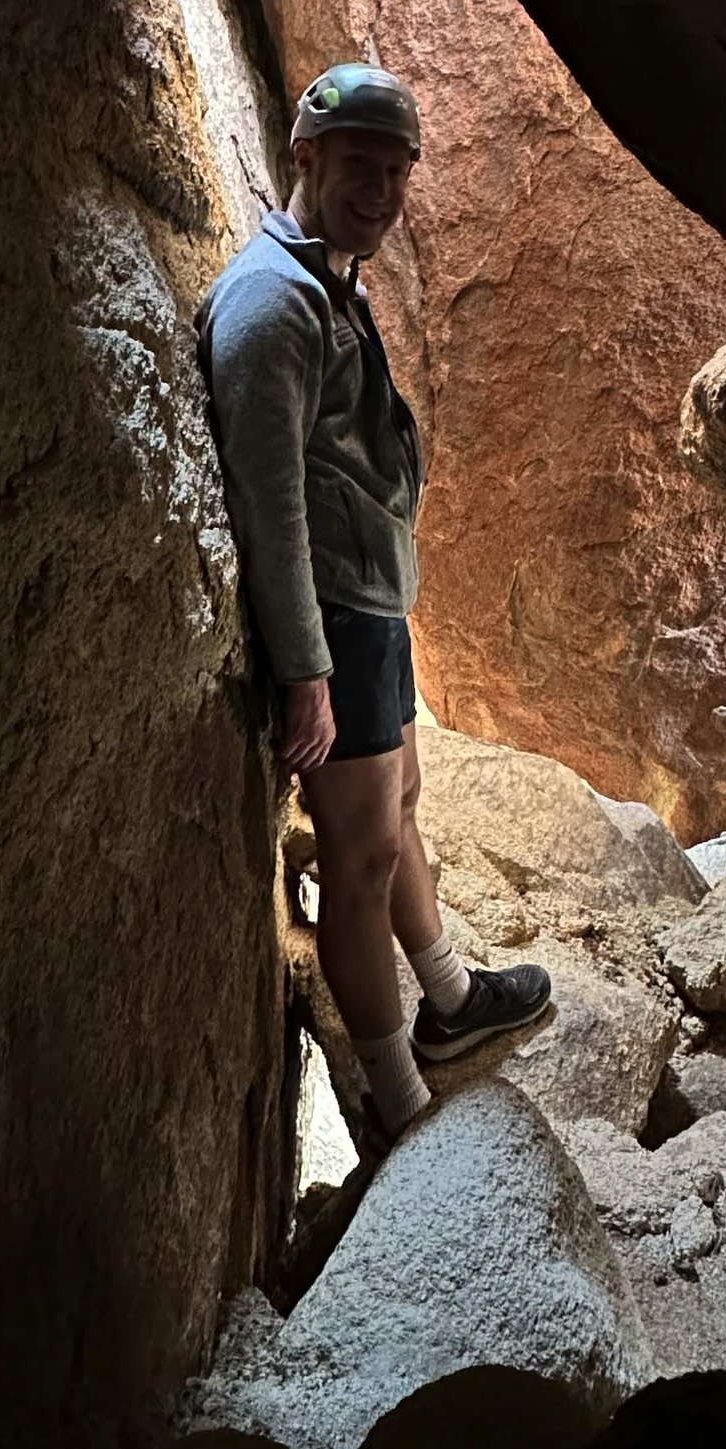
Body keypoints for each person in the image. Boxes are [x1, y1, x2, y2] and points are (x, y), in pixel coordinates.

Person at [200, 62, 551, 1139]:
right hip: (335, 620)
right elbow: (269, 508)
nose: (383, 192)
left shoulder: (327, 278)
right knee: (357, 860)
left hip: (368, 604)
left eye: (398, 172)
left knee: (398, 808)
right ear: (305, 156)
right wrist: (308, 674)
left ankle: (448, 998)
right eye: (362, 165)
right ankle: (402, 1106)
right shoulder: (272, 303)